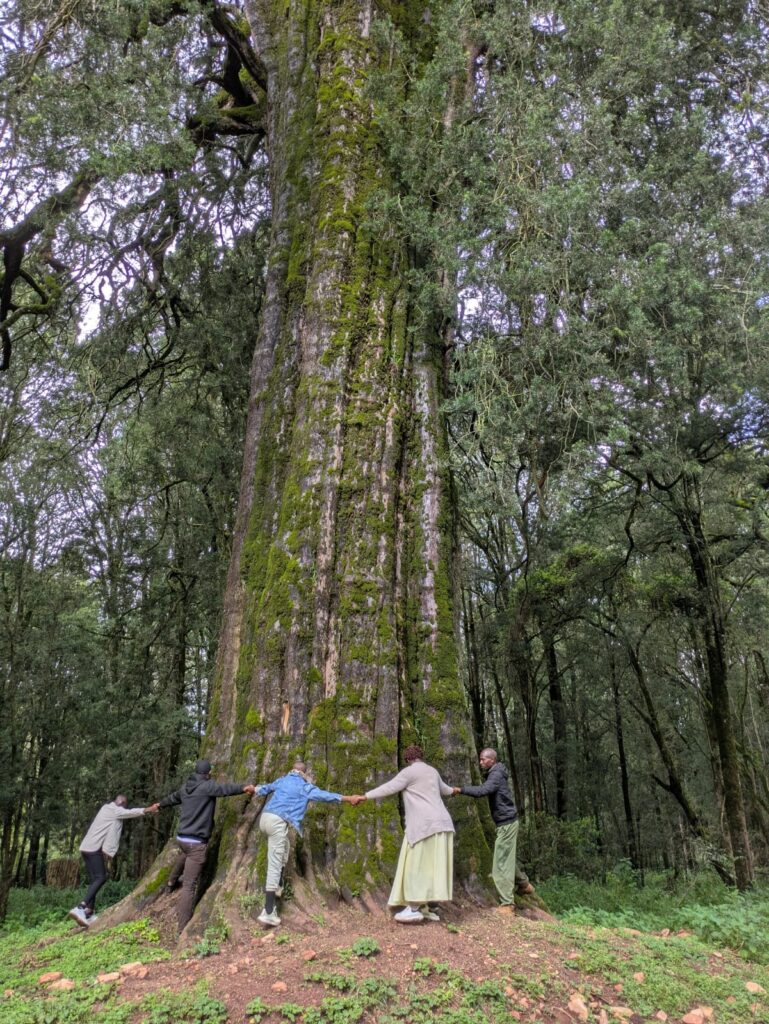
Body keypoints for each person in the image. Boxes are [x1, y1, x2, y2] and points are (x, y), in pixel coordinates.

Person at [254, 761, 362, 927]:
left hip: (265, 818)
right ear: (304, 773)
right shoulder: (305, 787)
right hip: (277, 822)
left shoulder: (283, 780)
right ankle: (268, 912)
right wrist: (348, 798)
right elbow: (326, 796)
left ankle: (277, 886)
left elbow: (265, 788)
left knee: (284, 849)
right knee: (274, 864)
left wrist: (252, 788)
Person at [355, 745, 454, 924]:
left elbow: (390, 787)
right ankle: (430, 908)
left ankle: (414, 909)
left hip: (424, 826)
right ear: (421, 756)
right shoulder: (432, 771)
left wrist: (365, 796)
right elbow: (446, 790)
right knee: (434, 868)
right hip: (443, 824)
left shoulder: (409, 772)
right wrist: (458, 790)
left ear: (408, 759)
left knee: (416, 867)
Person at [152, 758, 256, 931]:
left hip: (182, 839)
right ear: (208, 773)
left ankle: (170, 883)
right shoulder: (208, 786)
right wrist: (244, 787)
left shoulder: (186, 787)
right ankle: (182, 928)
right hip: (196, 843)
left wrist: (159, 805)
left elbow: (172, 798)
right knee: (189, 886)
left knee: (184, 855)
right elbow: (225, 789)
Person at [452, 747, 534, 914]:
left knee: (500, 865)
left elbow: (483, 791)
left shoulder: (495, 775)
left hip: (506, 824)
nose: (481, 762)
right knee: (507, 857)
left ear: (492, 760)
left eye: (483, 759)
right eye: (480, 759)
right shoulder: (496, 772)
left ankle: (507, 905)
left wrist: (461, 789)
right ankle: (524, 885)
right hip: (507, 822)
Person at [69, 795, 154, 927]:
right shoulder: (115, 810)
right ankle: (80, 907)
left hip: (86, 847)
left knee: (94, 880)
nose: (124, 807)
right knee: (101, 878)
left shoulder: (106, 808)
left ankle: (88, 913)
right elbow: (129, 813)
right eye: (125, 805)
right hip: (93, 849)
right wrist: (148, 809)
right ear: (121, 802)